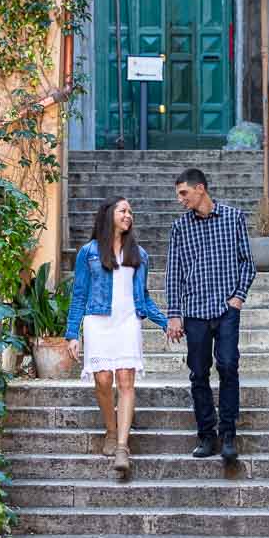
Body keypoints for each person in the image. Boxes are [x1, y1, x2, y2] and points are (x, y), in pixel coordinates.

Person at [65, 197, 168, 474]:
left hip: (127, 322)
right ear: (109, 214)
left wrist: (165, 322)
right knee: (102, 379)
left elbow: (143, 297)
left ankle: (122, 446)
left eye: (131, 212)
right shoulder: (88, 252)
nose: (128, 215)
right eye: (123, 210)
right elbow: (79, 295)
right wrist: (72, 333)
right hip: (98, 321)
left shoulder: (139, 255)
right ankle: (111, 430)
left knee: (125, 379)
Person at [165, 167, 256, 465]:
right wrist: (174, 315)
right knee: (198, 372)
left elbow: (248, 263)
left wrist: (238, 298)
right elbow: (173, 274)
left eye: (184, 193)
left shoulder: (233, 218)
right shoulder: (180, 228)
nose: (180, 199)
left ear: (200, 188)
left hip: (226, 308)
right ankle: (207, 434)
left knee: (228, 366)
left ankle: (228, 435)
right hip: (194, 312)